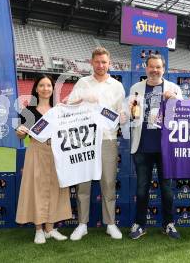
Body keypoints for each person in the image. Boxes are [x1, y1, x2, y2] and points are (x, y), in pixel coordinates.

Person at [67, 47, 125, 240]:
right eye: (98, 62)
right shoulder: (82, 83)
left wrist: (124, 116)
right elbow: (68, 107)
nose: (101, 65)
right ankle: (82, 224)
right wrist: (82, 98)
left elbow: (121, 114)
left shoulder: (117, 86)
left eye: (104, 62)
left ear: (109, 64)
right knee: (83, 184)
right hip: (84, 140)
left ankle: (110, 223)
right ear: (91, 62)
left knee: (108, 183)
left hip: (108, 140)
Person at [128, 54, 183, 239]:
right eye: (151, 67)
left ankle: (168, 224)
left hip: (166, 149)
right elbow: (131, 114)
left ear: (163, 69)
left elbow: (183, 116)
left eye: (158, 67)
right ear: (146, 68)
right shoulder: (136, 88)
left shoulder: (174, 89)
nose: (154, 70)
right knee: (142, 188)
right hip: (143, 147)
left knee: (167, 189)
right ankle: (140, 224)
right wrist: (128, 111)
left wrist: (174, 99)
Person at [16, 75, 72, 244]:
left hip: (57, 152)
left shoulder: (59, 109)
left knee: (55, 189)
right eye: (42, 85)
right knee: (37, 189)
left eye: (49, 85)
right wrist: (19, 132)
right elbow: (20, 133)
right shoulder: (28, 111)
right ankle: (39, 229)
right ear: (36, 88)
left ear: (52, 89)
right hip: (36, 151)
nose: (45, 88)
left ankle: (50, 228)